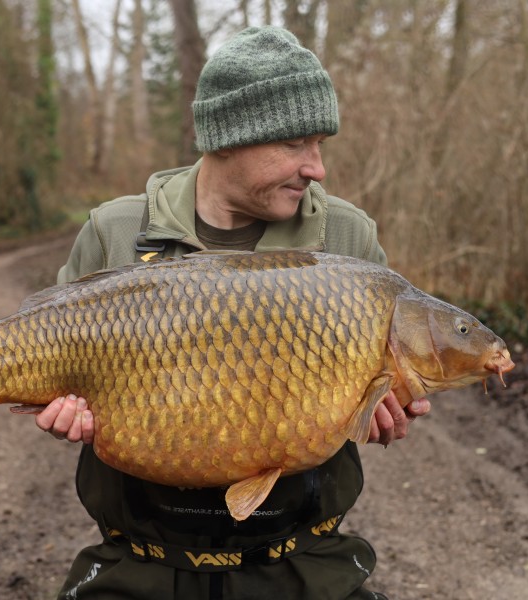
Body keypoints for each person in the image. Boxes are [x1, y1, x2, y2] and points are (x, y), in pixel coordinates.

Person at [35, 26, 430, 600]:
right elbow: (55, 382)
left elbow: (377, 397)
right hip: (138, 562)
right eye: (296, 144)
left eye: (320, 145)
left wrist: (378, 412)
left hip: (303, 561)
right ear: (228, 137)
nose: (316, 168)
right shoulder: (115, 231)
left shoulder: (346, 235)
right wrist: (59, 411)